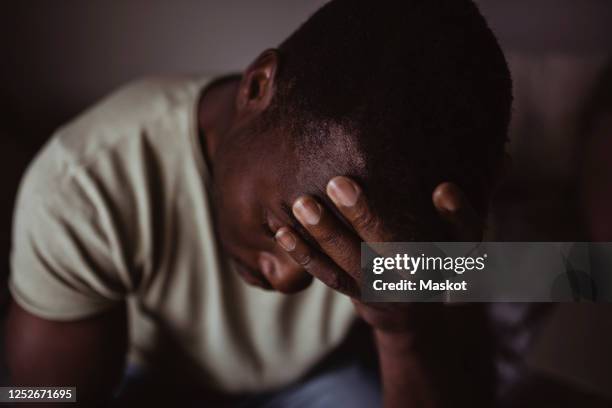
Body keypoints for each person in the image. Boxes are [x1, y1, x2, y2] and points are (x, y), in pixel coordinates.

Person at [6, 0, 521, 406]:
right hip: (144, 377)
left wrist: (403, 325)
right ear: (257, 86)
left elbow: (472, 381)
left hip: (319, 377)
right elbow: (47, 396)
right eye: (280, 224)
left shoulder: (436, 202)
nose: (286, 280)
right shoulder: (84, 181)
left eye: (340, 252)